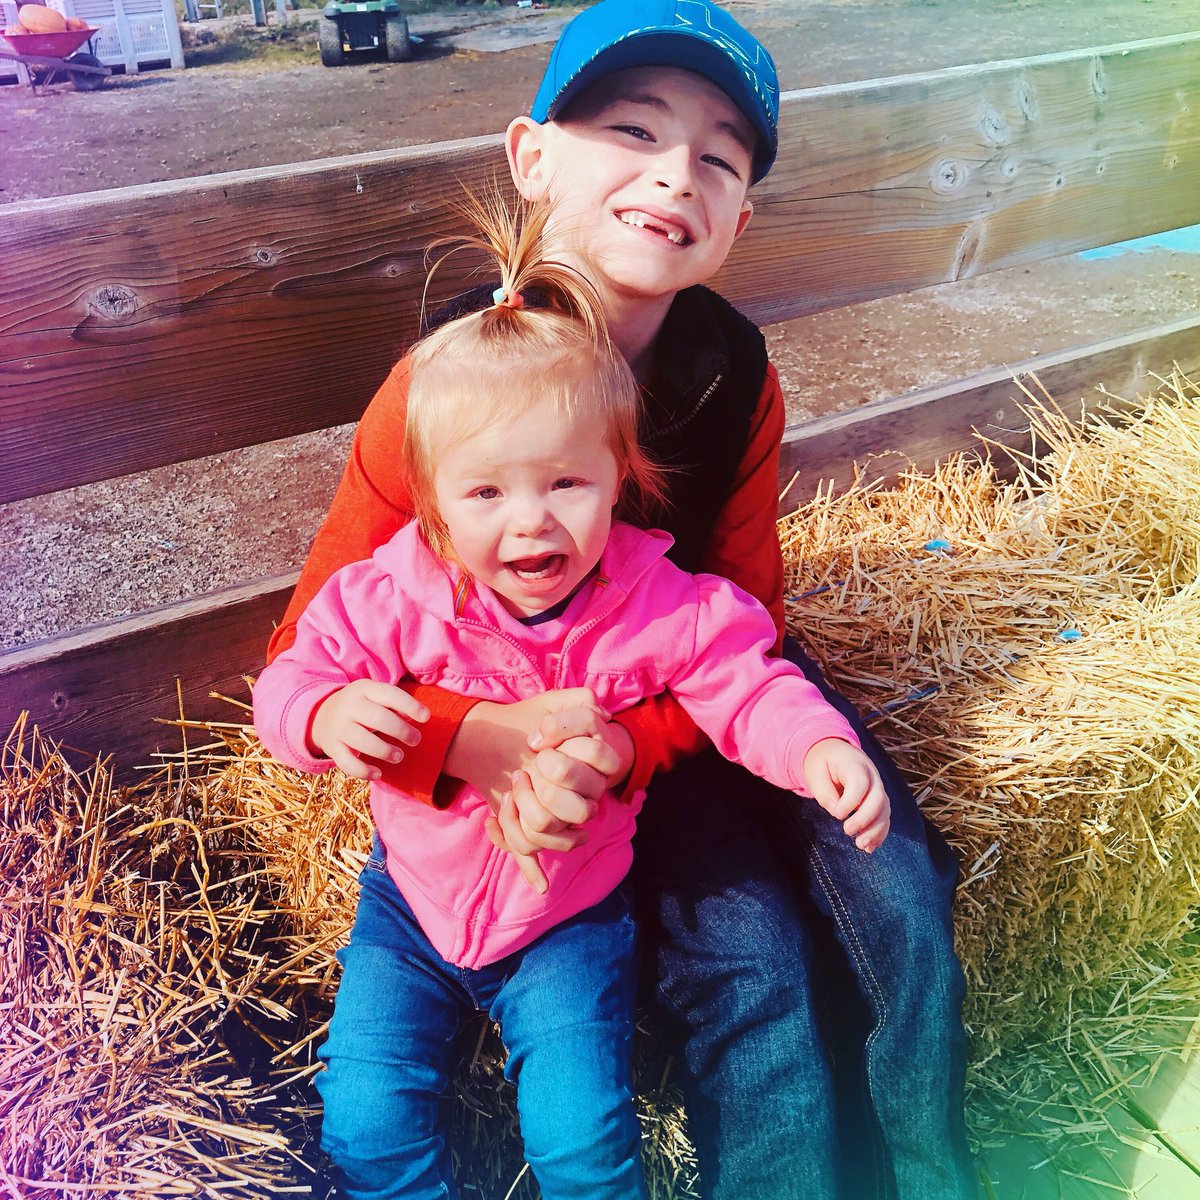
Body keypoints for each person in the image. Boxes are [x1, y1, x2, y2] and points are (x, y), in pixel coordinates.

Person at [266, 2, 978, 1197]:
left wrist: (634, 745)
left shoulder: (735, 377)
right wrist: (473, 741)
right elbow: (309, 646)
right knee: (749, 952)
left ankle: (934, 1170)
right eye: (631, 130)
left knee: (900, 880)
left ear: (738, 216)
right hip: (524, 743)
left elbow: (746, 620)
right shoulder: (446, 386)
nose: (672, 176)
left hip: (679, 698)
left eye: (715, 155)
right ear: (531, 155)